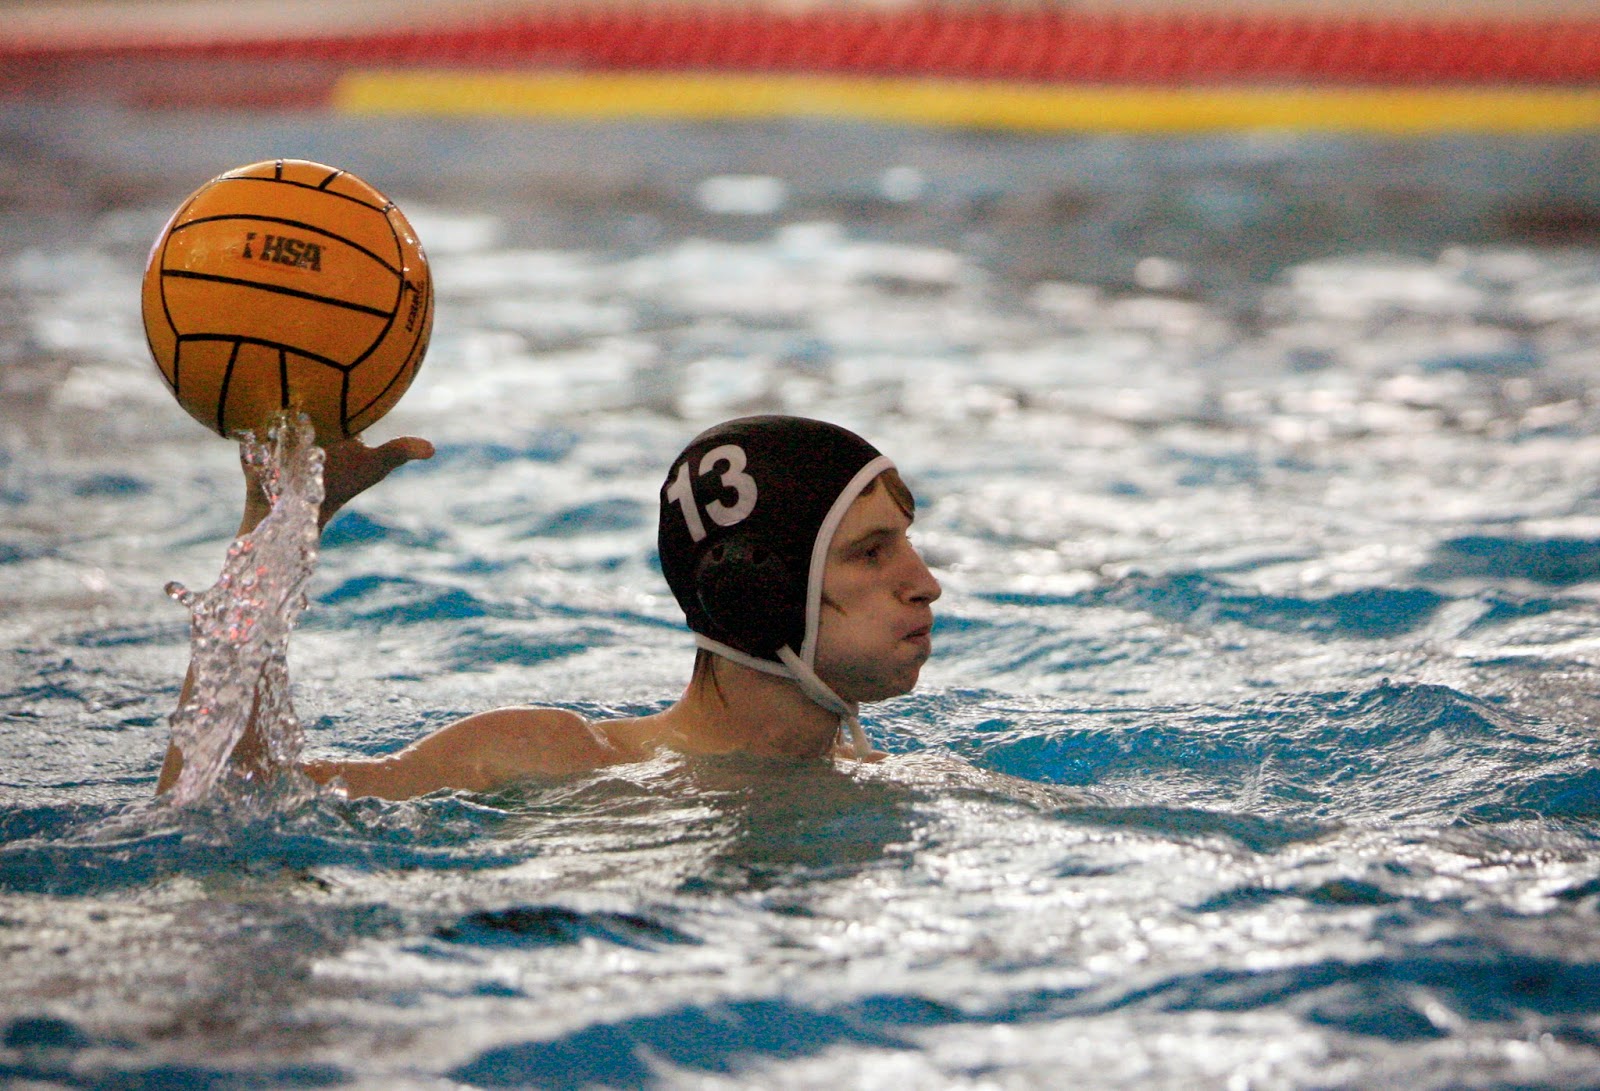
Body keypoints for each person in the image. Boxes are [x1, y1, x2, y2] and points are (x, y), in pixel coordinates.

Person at [156, 415, 941, 800]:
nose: (925, 581)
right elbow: (223, 795)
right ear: (758, 589)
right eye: (871, 552)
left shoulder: (906, 783)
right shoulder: (546, 760)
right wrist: (278, 521)